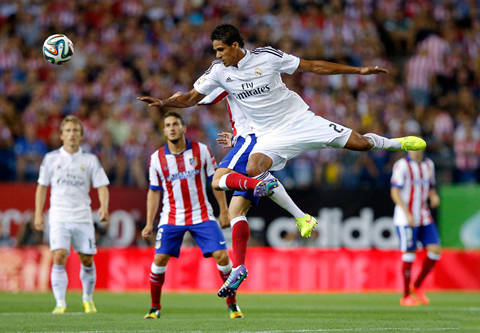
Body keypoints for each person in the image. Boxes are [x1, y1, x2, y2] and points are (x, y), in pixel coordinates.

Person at [137, 23, 426, 297]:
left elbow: (313, 66)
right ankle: (285, 219)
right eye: (215, 51)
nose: (217, 55)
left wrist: (358, 70)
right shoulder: (218, 72)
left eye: (221, 50)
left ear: (235, 46)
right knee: (252, 169)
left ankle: (393, 143)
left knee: (360, 144)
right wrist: (164, 103)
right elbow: (190, 97)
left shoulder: (268, 57)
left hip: (300, 121)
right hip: (268, 136)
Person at [198, 88, 315, 297]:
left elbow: (201, 99)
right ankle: (239, 266)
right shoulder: (260, 82)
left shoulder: (230, 76)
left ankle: (256, 184)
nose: (220, 56)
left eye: (221, 52)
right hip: (263, 141)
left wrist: (167, 101)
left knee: (217, 181)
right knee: (236, 212)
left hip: (248, 140)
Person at [141, 112, 243, 319]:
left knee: (222, 256)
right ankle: (154, 307)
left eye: (175, 124)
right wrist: (149, 222)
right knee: (159, 258)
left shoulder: (201, 151)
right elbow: (153, 191)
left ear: (183, 128)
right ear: (164, 131)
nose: (172, 128)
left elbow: (215, 182)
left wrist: (223, 210)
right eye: (168, 125)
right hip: (171, 216)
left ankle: (232, 305)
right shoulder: (156, 159)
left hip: (202, 214)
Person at [34, 115, 110, 314]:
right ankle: (60, 303)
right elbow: (42, 187)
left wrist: (103, 206)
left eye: (76, 130)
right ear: (61, 135)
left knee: (86, 259)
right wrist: (38, 214)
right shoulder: (51, 159)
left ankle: (87, 298)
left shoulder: (90, 159)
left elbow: (102, 185)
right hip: (58, 215)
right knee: (58, 255)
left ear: (81, 135)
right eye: (68, 130)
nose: (72, 134)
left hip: (83, 216)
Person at [390, 149, 441, 306]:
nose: (416, 150)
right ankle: (405, 296)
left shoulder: (428, 164)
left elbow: (430, 186)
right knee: (409, 252)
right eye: (413, 146)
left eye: (419, 146)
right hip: (406, 217)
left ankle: (417, 285)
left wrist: (433, 195)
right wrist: (407, 213)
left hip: (423, 214)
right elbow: (394, 192)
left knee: (435, 249)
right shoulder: (402, 165)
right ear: (408, 148)